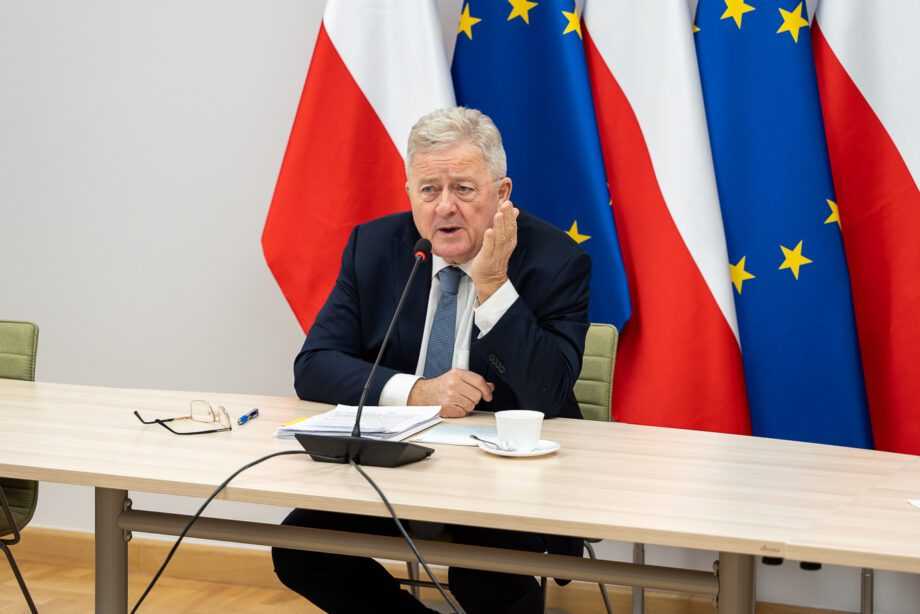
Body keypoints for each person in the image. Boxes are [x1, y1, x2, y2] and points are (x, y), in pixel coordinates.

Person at [272, 107, 590, 613]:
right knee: (302, 550)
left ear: (502, 194)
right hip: (396, 466)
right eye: (429, 190)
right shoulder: (376, 247)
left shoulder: (554, 259)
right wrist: (418, 392)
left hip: (503, 478)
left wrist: (493, 285)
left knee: (484, 575)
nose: (444, 208)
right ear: (409, 194)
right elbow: (314, 365)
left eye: (463, 189)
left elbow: (548, 393)